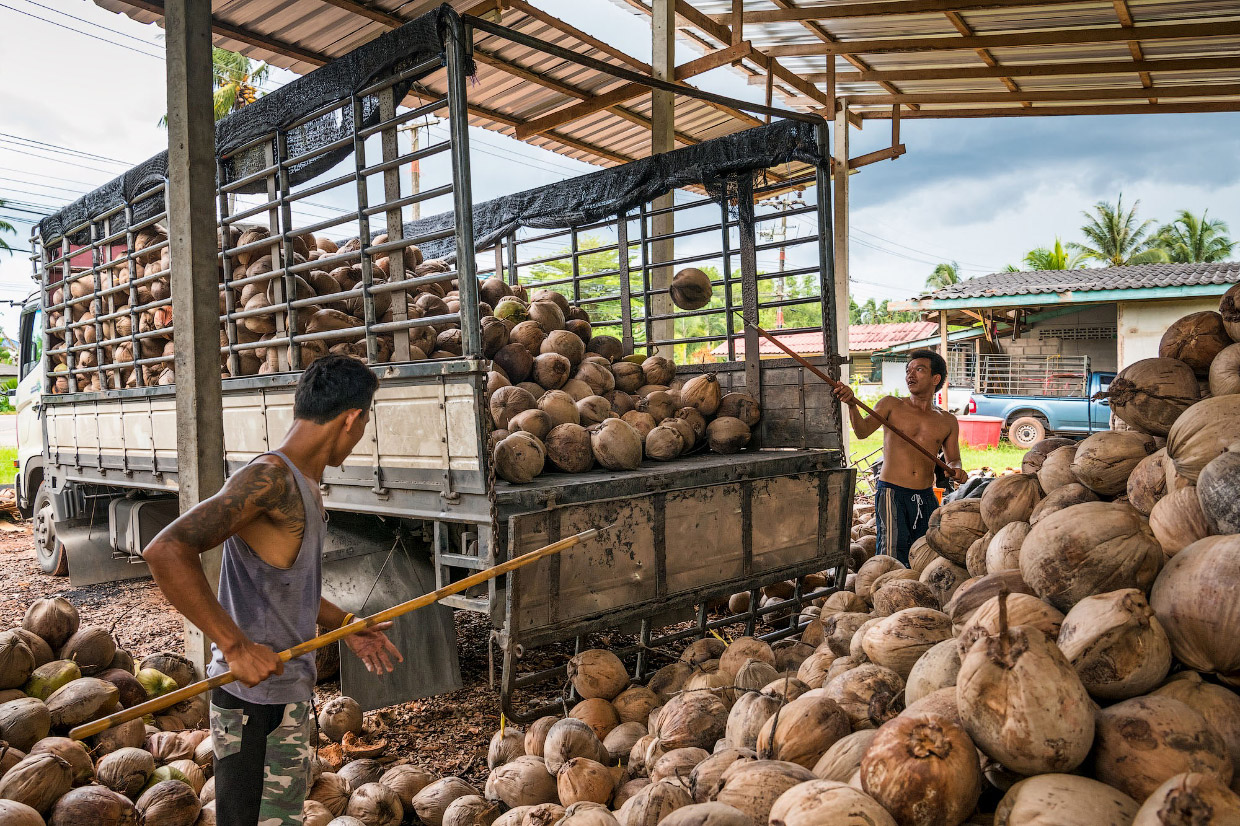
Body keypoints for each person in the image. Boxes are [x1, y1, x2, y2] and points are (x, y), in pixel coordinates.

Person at [143, 355, 403, 826]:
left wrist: (345, 625)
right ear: (352, 418)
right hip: (251, 704)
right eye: (365, 421)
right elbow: (166, 549)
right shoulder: (270, 480)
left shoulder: (303, 482)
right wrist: (234, 644)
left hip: (282, 695)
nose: (362, 431)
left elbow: (286, 591)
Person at [833, 349, 968, 566]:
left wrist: (957, 470)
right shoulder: (891, 405)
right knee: (891, 553)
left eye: (919, 369)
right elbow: (862, 431)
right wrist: (851, 405)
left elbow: (954, 459)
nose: (910, 375)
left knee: (926, 550)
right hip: (892, 492)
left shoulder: (947, 420)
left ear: (936, 379)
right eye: (908, 370)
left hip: (925, 495)